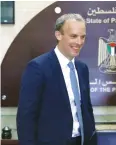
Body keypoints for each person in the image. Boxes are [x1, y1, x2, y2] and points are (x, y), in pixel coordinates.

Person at [17, 13, 96, 145]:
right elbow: (26, 117)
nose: (79, 42)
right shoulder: (38, 68)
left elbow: (86, 108)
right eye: (73, 36)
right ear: (58, 35)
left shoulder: (82, 69)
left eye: (82, 37)